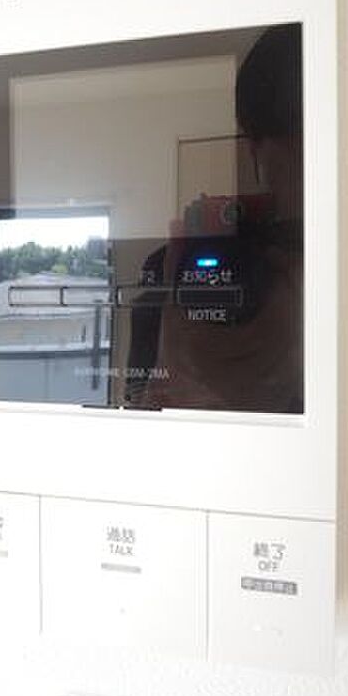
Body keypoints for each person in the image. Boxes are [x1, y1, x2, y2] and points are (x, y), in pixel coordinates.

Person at [128, 23, 304, 414]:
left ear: (254, 148)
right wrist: (170, 379)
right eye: (298, 135)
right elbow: (135, 415)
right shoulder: (171, 275)